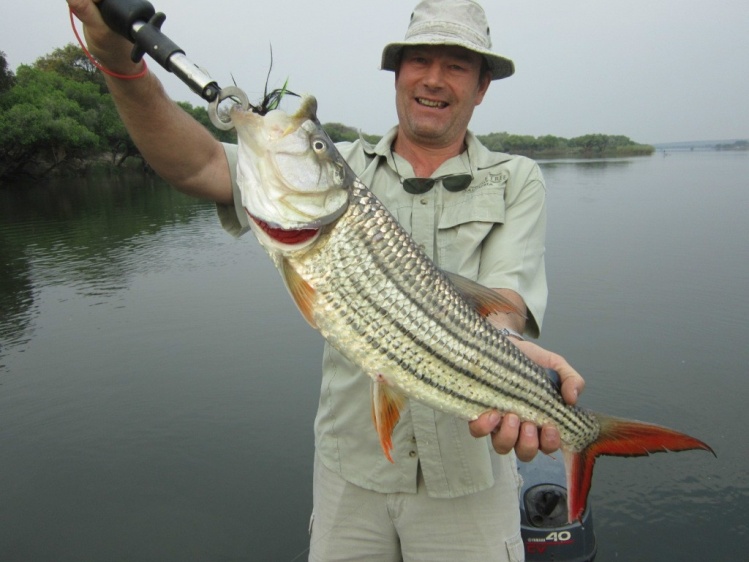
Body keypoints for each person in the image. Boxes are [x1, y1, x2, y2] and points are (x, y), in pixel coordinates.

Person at [68, 0, 585, 560]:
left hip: (470, 477)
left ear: (482, 86)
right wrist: (120, 64)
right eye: (420, 61)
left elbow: (503, 301)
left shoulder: (516, 178)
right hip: (351, 472)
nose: (434, 78)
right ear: (398, 74)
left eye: (457, 65)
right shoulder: (342, 172)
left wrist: (507, 354)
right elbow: (195, 166)